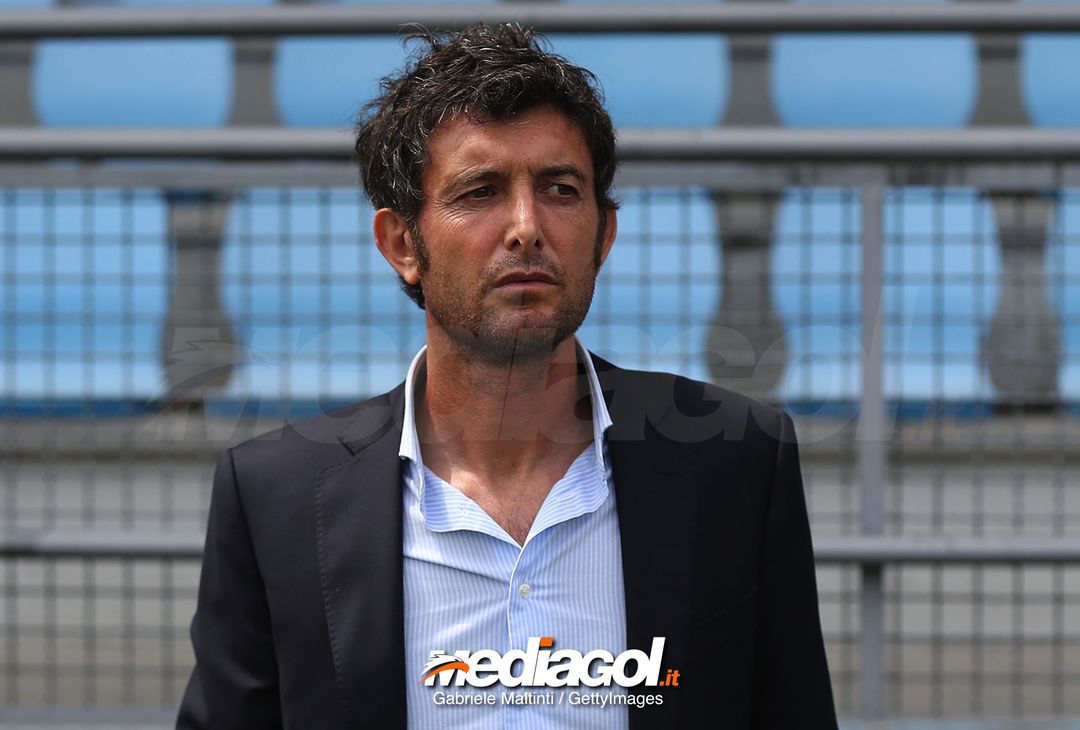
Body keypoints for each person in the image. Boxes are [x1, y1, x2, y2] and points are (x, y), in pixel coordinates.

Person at [177, 22, 837, 730]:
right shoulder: (274, 496)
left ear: (604, 234)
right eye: (481, 191)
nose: (526, 226)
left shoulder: (739, 461)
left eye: (559, 188)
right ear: (403, 243)